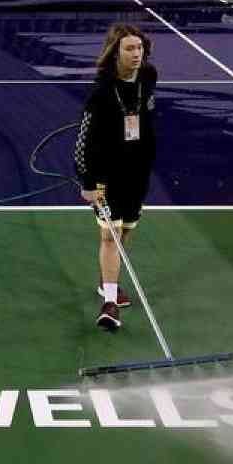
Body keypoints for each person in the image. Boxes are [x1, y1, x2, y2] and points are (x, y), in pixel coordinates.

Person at [73, 23, 158, 331]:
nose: (136, 54)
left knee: (125, 232)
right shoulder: (101, 93)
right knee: (110, 235)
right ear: (115, 53)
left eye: (139, 48)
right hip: (106, 176)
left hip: (138, 172)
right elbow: (83, 142)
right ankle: (109, 302)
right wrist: (87, 183)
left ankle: (105, 280)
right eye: (129, 48)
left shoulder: (148, 76)